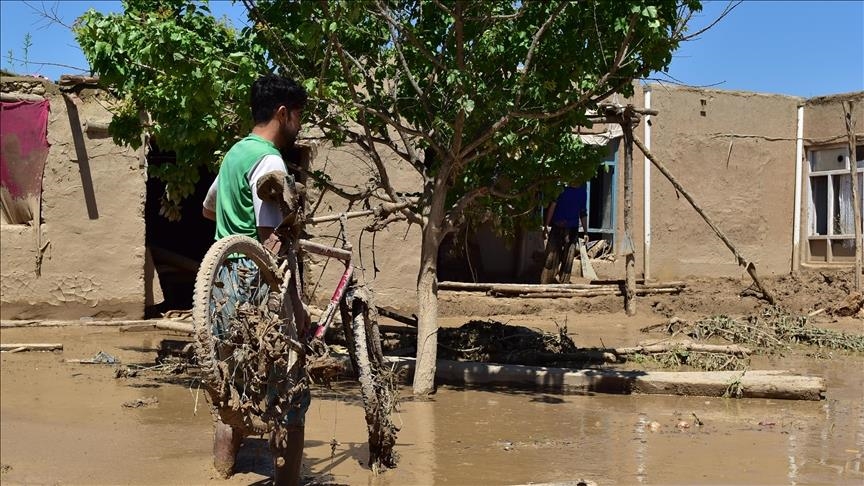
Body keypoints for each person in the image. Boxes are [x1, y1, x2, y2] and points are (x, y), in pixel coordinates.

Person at [202, 73, 308, 485]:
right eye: (298, 115)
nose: (299, 124)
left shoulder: (235, 154)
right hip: (256, 285)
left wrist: (234, 221)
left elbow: (209, 208)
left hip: (221, 284)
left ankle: (222, 473)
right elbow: (270, 242)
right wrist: (296, 305)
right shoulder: (270, 160)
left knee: (232, 384)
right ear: (283, 113)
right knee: (291, 393)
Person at [542, 183, 588, 283]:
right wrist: (546, 225)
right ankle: (546, 282)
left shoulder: (582, 191)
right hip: (557, 227)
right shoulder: (561, 188)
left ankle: (564, 283)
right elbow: (552, 206)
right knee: (551, 257)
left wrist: (586, 232)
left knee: (568, 259)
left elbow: (583, 212)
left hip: (572, 229)